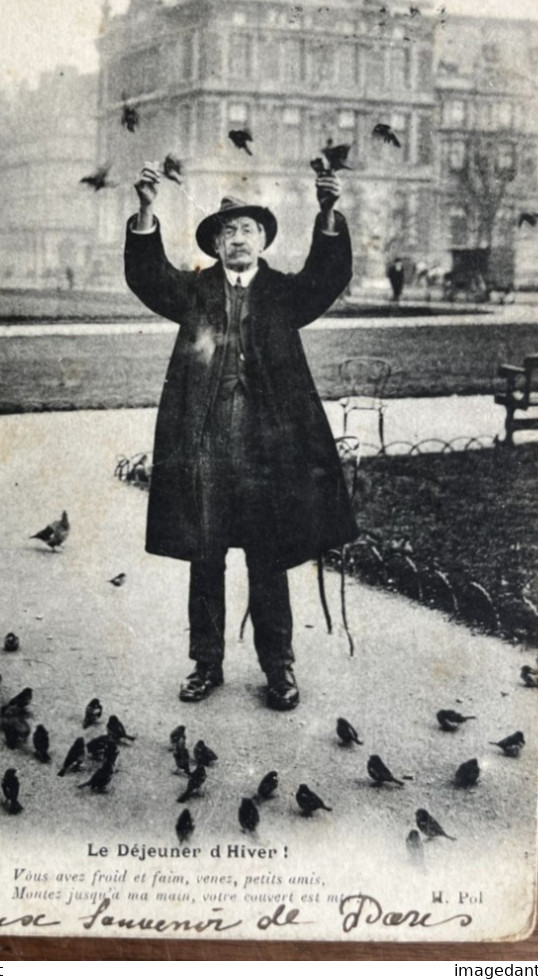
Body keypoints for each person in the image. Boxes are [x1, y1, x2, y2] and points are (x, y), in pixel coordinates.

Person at [124, 166, 358, 710]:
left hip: (267, 456)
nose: (237, 239)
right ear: (215, 243)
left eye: (247, 229)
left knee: (267, 560)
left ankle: (278, 670)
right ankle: (206, 665)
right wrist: (145, 209)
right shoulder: (194, 293)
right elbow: (148, 277)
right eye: (228, 232)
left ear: (262, 239)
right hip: (206, 450)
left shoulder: (283, 295)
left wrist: (327, 215)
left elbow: (327, 278)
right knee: (205, 559)